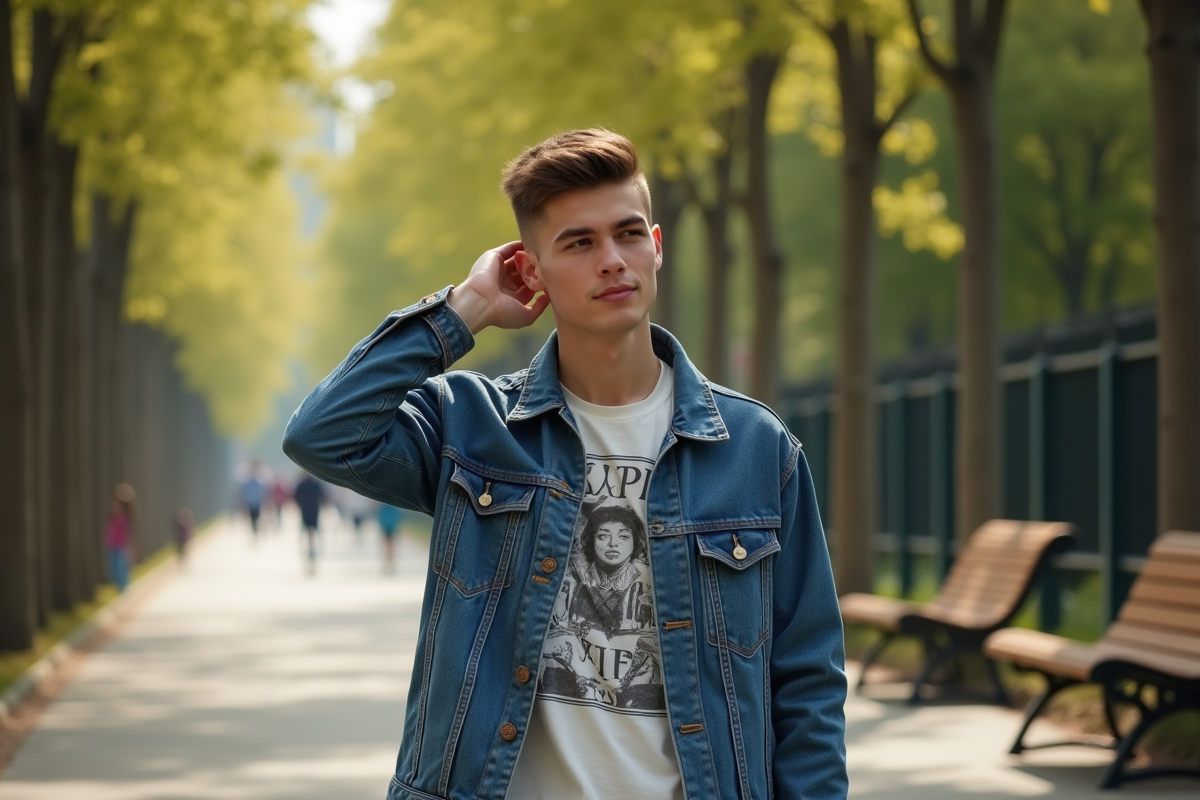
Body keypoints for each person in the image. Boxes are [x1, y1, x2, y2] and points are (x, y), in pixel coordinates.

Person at [283, 129, 846, 800]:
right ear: (532, 270)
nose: (612, 260)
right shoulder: (473, 426)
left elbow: (807, 677)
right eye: (578, 243)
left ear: (657, 248)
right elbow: (324, 434)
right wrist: (466, 309)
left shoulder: (755, 448)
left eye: (629, 234)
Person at [292, 471, 326, 575]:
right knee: (313, 536)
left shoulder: (301, 484)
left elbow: (295, 497)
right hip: (315, 512)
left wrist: (299, 506)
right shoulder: (316, 483)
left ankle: (308, 558)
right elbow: (323, 497)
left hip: (305, 512)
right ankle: (312, 556)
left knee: (305, 536)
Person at [104, 483, 137, 592]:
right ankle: (120, 588)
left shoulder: (127, 516)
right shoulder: (113, 515)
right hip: (112, 545)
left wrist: (130, 547)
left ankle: (124, 588)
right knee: (114, 569)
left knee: (121, 568)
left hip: (121, 546)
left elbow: (128, 533)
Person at [240, 461, 265, 535]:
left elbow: (262, 493)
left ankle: (255, 529)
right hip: (251, 502)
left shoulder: (259, 481)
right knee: (252, 518)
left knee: (256, 517)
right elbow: (244, 492)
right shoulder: (248, 481)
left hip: (257, 503)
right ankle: (254, 530)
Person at [377, 503, 403, 574]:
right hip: (389, 521)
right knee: (389, 545)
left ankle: (389, 563)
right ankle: (389, 563)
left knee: (388, 545)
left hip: (389, 521)